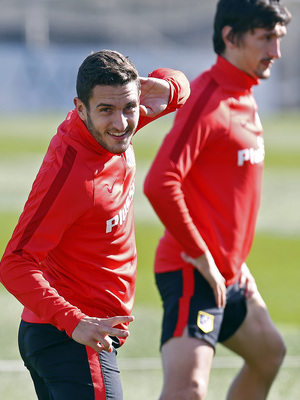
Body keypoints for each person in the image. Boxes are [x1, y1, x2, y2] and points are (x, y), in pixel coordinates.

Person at [0, 49, 190, 399]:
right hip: (71, 339)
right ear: (80, 108)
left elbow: (180, 88)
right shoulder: (71, 175)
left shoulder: (113, 130)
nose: (121, 122)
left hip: (75, 335)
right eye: (106, 110)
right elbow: (14, 263)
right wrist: (75, 321)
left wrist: (168, 87)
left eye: (130, 107)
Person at [144, 1, 291, 399]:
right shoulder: (208, 97)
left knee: (269, 354)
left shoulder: (244, 93)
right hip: (193, 271)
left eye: (278, 39)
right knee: (188, 390)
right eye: (265, 39)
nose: (275, 52)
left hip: (230, 276)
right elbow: (160, 182)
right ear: (230, 36)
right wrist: (202, 252)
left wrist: (232, 261)